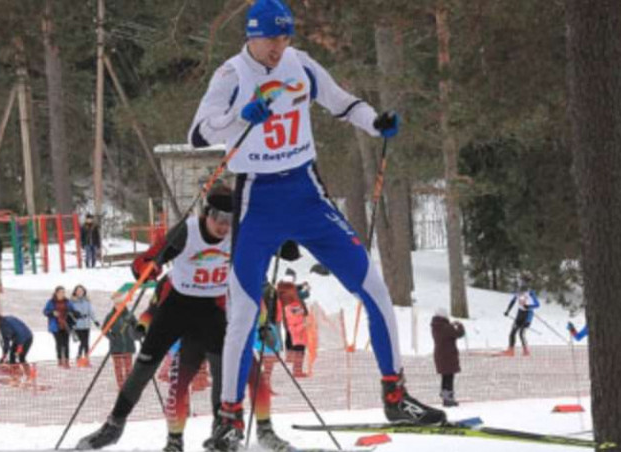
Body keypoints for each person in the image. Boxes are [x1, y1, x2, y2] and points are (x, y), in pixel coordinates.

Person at [189, 1, 444, 448]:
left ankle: (396, 394)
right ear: (252, 35)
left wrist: (374, 122)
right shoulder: (231, 75)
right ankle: (228, 420)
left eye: (285, 38)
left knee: (374, 288)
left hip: (306, 193)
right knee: (244, 313)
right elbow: (198, 133)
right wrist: (239, 118)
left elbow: (343, 104)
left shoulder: (299, 64)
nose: (279, 47)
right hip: (257, 199)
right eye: (272, 39)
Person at [76, 187, 234, 452]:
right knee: (144, 365)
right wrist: (147, 267)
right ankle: (113, 426)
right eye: (219, 217)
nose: (223, 226)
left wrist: (284, 245)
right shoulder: (187, 231)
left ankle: (221, 431)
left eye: (230, 220)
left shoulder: (238, 234)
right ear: (207, 213)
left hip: (212, 310)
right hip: (177, 307)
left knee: (222, 369)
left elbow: (265, 243)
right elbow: (148, 258)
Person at [431, 308, 465, 407]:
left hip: (439, 355)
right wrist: (460, 325)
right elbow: (459, 334)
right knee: (449, 378)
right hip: (448, 355)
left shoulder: (435, 327)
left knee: (445, 377)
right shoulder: (446, 328)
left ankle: (445, 396)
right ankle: (448, 398)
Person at [103, 292, 137, 389]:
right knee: (118, 369)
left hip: (128, 345)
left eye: (121, 303)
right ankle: (121, 386)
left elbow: (137, 327)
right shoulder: (110, 316)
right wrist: (111, 337)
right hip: (116, 346)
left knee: (128, 368)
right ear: (114, 304)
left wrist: (134, 331)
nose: (119, 306)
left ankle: (129, 386)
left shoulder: (130, 315)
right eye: (117, 303)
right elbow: (104, 329)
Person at [278, 276, 309, 378]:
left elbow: (301, 314)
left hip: (301, 333)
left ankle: (298, 370)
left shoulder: (295, 305)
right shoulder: (289, 308)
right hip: (298, 334)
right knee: (298, 352)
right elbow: (292, 325)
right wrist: (303, 325)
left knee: (301, 352)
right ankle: (297, 371)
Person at [503, 285, 540, 356]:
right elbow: (513, 301)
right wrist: (507, 311)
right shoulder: (518, 293)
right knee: (512, 332)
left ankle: (526, 351)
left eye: (522, 292)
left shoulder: (531, 293)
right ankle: (511, 350)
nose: (520, 294)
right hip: (519, 315)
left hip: (527, 316)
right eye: (519, 292)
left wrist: (529, 306)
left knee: (521, 333)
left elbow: (537, 304)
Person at [44, 286, 75, 368]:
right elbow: (45, 311)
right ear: (56, 293)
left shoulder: (67, 301)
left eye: (64, 292)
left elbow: (73, 310)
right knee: (59, 343)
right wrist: (52, 313)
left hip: (66, 324)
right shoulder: (51, 302)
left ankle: (67, 361)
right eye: (61, 292)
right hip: (56, 325)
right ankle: (60, 360)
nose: (62, 294)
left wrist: (73, 313)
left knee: (66, 343)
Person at [70, 284, 99, 366]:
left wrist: (95, 320)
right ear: (75, 292)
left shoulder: (87, 301)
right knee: (83, 341)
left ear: (84, 292)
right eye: (78, 291)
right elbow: (69, 313)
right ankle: (79, 357)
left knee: (86, 342)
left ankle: (86, 358)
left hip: (86, 324)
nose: (80, 292)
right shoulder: (72, 302)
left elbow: (91, 312)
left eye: (81, 291)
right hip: (77, 325)